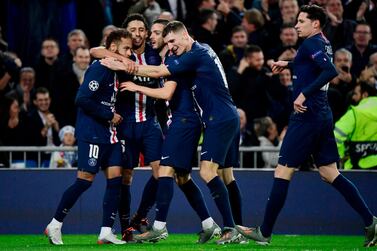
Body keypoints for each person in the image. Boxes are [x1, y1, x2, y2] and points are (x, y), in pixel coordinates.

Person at [235, 5, 377, 247]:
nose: (296, 25)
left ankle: (264, 232)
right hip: (321, 114)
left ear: (316, 24)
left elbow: (329, 71)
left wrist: (303, 95)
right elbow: (311, 65)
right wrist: (287, 64)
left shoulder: (311, 43)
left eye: (302, 21)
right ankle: (371, 222)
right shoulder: (321, 42)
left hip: (306, 115)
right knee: (329, 173)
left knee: (283, 171)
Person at [101, 20, 241, 245]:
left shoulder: (184, 58)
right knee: (186, 177)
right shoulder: (190, 53)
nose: (157, 39)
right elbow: (97, 50)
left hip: (195, 120)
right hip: (210, 118)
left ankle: (163, 226)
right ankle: (211, 224)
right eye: (157, 35)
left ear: (184, 34)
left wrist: (129, 72)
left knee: (176, 171)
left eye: (163, 36)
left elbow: (165, 88)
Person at [44, 29, 133, 245]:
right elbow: (82, 98)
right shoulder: (99, 68)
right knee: (84, 181)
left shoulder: (114, 70)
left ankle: (105, 231)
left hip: (110, 136)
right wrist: (109, 114)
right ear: (113, 48)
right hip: (92, 133)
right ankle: (55, 224)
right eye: (126, 48)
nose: (129, 53)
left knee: (115, 181)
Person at [90, 14, 164, 242]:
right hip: (125, 124)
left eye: (142, 29)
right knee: (125, 177)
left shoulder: (155, 55)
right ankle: (125, 228)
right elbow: (95, 51)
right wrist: (119, 58)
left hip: (150, 123)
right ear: (126, 33)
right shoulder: (121, 55)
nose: (138, 34)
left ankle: (140, 216)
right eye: (133, 30)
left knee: (162, 172)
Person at [334, 82, 377, 170]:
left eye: (356, 94)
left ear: (365, 95)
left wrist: (340, 156)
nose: (353, 97)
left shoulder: (355, 113)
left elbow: (336, 137)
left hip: (357, 170)